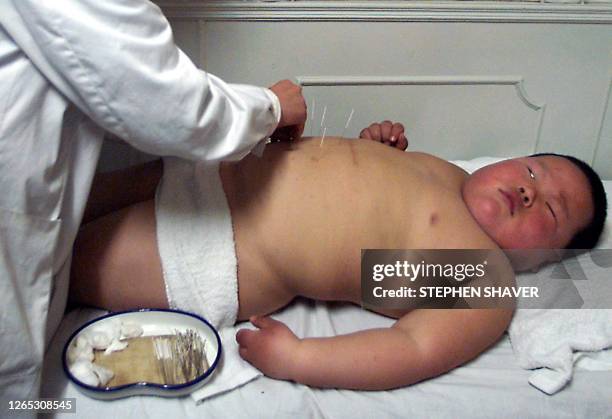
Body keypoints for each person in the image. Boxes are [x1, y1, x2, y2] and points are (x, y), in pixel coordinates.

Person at [70, 124, 607, 391]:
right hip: (213, 174)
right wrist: (372, 146)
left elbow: (412, 346)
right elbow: (360, 197)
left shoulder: (482, 274)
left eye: (553, 211)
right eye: (533, 170)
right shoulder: (448, 173)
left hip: (228, 247)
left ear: (542, 258)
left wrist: (303, 360)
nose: (531, 189)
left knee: (69, 261)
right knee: (64, 203)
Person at [0, 0, 307, 404]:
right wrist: (271, 107)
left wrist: (303, 358)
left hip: (256, 242)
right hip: (229, 204)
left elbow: (420, 336)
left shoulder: (415, 270)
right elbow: (167, 104)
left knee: (62, 270)